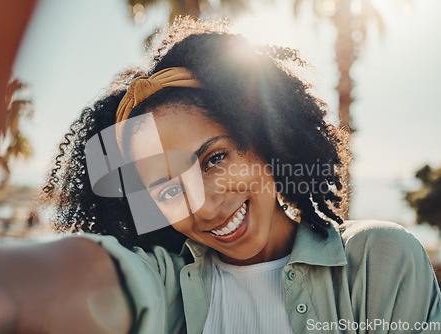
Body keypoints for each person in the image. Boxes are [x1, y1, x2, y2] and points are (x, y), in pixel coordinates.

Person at [41, 18, 441, 333]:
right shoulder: (165, 286)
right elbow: (84, 280)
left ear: (262, 138)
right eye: (168, 192)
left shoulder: (379, 260)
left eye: (214, 159)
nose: (207, 205)